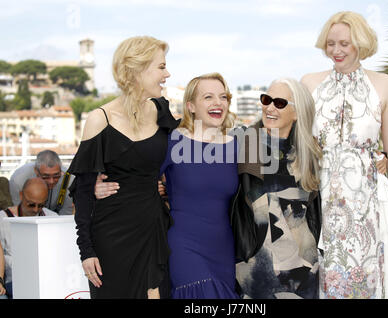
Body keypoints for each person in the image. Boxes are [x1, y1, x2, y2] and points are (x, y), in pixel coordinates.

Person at [97, 72, 239, 299]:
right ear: (191, 106)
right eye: (208, 97)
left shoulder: (238, 146)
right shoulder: (173, 141)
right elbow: (134, 172)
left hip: (224, 249)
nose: (218, 103)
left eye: (223, 97)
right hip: (184, 246)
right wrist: (98, 184)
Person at [301, 11, 388, 299]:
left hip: (368, 205)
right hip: (320, 201)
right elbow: (296, 141)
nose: (336, 50)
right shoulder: (309, 83)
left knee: (367, 283)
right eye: (330, 43)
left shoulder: (384, 84)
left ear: (360, 43)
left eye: (344, 43)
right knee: (322, 282)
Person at [67, 36, 179, 299]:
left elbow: (180, 157)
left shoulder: (162, 110)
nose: (168, 74)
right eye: (161, 67)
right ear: (137, 70)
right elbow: (81, 192)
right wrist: (87, 251)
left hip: (154, 229)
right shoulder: (100, 120)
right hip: (112, 238)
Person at [231, 78, 323, 299]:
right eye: (266, 99)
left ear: (297, 112)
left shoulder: (312, 151)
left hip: (303, 269)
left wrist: (382, 159)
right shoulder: (244, 142)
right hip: (254, 266)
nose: (269, 107)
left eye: (279, 103)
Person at [0, 177, 58, 299]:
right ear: (21, 195)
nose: (36, 209)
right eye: (31, 204)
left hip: (47, 279)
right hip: (14, 280)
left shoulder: (52, 217)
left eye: (41, 205)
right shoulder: (3, 219)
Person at [9, 150, 74, 215]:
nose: (51, 181)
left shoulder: (69, 179)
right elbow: (17, 212)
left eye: (56, 176)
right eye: (46, 176)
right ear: (36, 171)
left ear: (61, 170)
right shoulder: (18, 180)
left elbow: (67, 211)